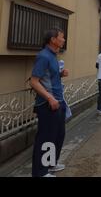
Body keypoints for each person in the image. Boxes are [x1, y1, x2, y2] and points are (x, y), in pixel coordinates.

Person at [30, 28, 69, 177]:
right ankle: (40, 172)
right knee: (46, 137)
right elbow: (34, 81)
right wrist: (49, 98)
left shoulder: (53, 56)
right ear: (53, 39)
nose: (64, 40)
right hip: (47, 104)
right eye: (61, 37)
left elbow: (48, 78)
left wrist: (60, 74)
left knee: (58, 135)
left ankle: (50, 164)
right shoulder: (44, 56)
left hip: (58, 102)